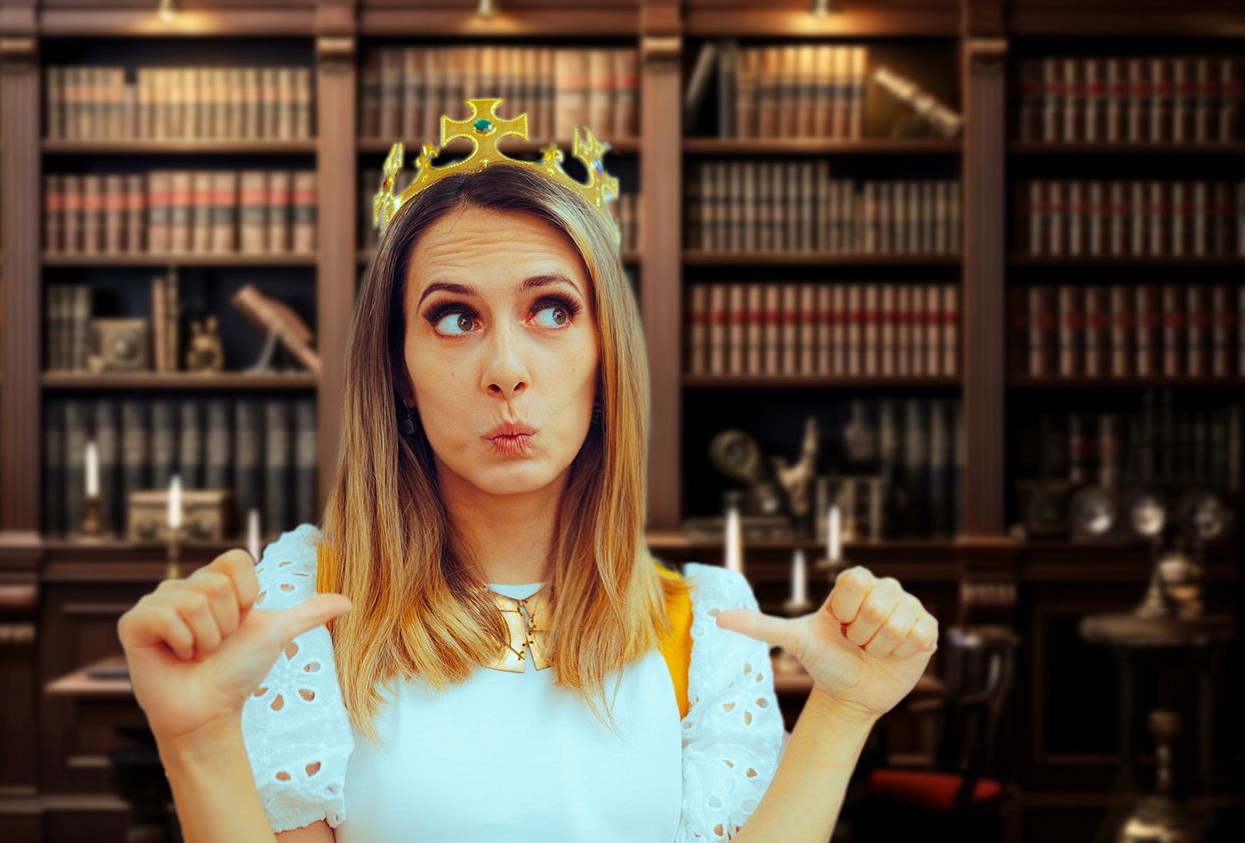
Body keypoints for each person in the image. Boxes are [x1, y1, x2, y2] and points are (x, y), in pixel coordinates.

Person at [116, 99, 939, 843]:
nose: (505, 368)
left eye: (552, 310)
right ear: (398, 371)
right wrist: (198, 744)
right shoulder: (304, 612)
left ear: (604, 355)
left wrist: (843, 710)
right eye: (453, 317)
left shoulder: (707, 627)